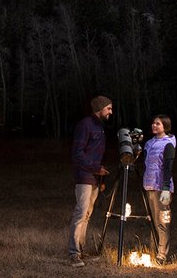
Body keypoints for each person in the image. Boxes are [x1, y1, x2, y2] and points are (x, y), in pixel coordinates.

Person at [67, 95, 113, 267]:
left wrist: (100, 177)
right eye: (108, 108)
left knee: (87, 215)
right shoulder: (85, 125)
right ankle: (73, 254)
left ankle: (80, 250)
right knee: (80, 214)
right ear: (100, 108)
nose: (111, 112)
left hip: (94, 178)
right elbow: (78, 153)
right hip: (84, 177)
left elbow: (95, 153)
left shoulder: (99, 126)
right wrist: (95, 168)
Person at [142, 114, 176, 264]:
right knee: (153, 220)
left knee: (163, 221)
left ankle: (162, 254)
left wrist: (166, 187)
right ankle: (153, 248)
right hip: (149, 185)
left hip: (161, 187)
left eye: (158, 124)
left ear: (165, 127)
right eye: (153, 123)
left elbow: (168, 167)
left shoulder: (168, 143)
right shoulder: (149, 143)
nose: (154, 126)